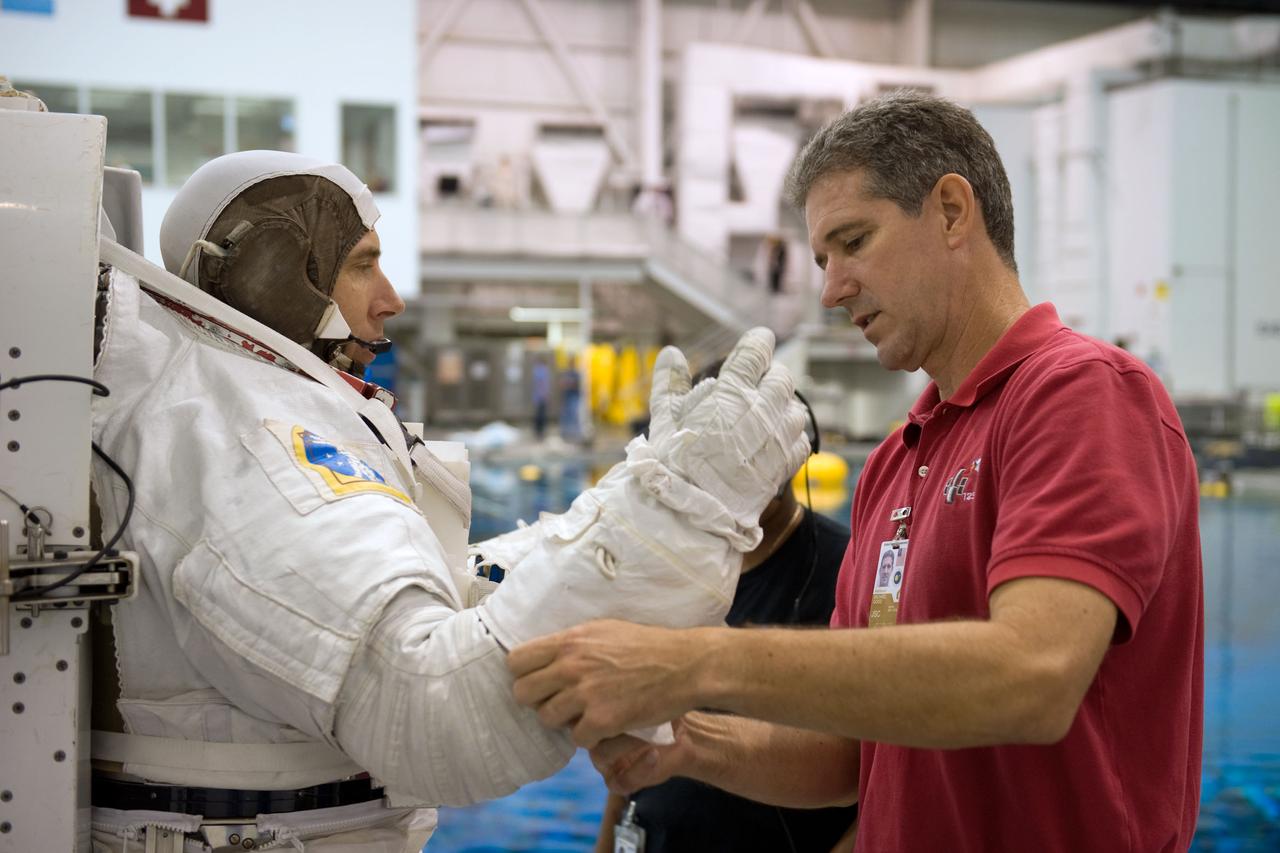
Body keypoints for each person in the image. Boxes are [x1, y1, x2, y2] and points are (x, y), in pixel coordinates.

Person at [507, 92, 1204, 853]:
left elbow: (1033, 674)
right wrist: (689, 745)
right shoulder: (896, 461)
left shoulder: (1082, 394)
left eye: (853, 242)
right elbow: (851, 754)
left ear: (949, 211)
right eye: (821, 259)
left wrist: (697, 661)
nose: (831, 289)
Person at [87, 150, 810, 851]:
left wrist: (635, 492)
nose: (390, 298)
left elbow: (444, 602)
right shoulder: (243, 441)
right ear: (278, 269)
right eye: (363, 263)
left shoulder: (232, 412)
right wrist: (683, 504)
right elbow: (432, 713)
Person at [596, 382, 856, 853]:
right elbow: (632, 747)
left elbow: (873, 772)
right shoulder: (668, 565)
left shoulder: (847, 571)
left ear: (787, 458)